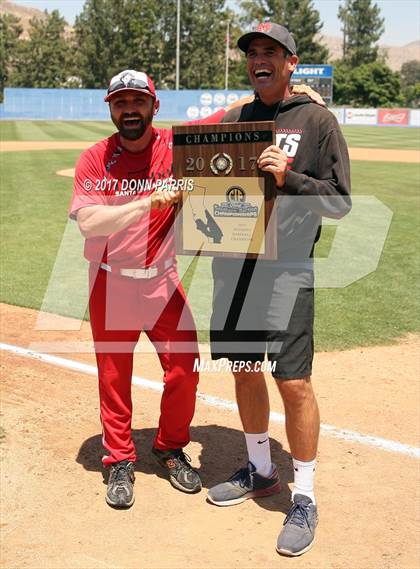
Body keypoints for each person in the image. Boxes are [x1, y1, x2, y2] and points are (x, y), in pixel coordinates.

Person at [207, 23, 352, 557]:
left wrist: (290, 177)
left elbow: (339, 201)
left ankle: (306, 495)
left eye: (271, 52)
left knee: (293, 382)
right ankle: (262, 469)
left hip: (288, 268)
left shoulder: (317, 120)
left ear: (292, 62)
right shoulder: (233, 120)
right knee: (242, 369)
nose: (259, 59)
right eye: (252, 53)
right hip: (235, 265)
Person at [69, 69, 242, 509]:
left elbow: (230, 115)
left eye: (138, 101)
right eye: (121, 102)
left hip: (162, 280)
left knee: (185, 367)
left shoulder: (174, 146)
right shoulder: (95, 159)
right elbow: (88, 221)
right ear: (110, 108)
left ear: (154, 106)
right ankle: (119, 458)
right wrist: (149, 201)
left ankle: (168, 446)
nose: (130, 109)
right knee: (114, 377)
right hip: (110, 280)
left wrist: (288, 91)